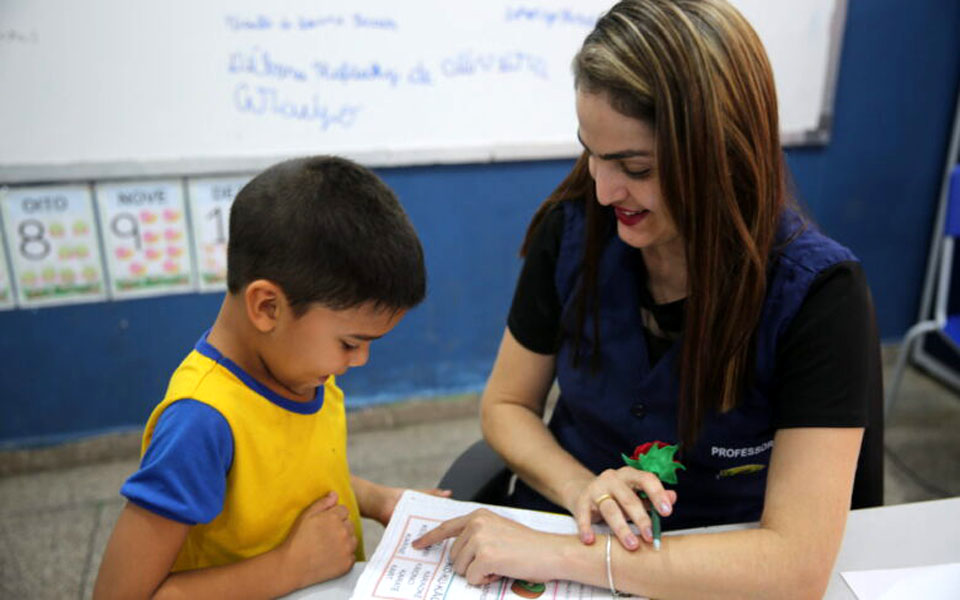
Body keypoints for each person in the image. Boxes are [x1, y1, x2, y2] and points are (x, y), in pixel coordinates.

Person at [414, 1, 883, 597]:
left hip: (710, 570)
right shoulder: (573, 232)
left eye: (635, 166)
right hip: (554, 539)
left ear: (721, 154)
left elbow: (794, 566)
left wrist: (570, 555)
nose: (606, 191)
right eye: (591, 151)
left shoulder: (816, 295)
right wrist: (579, 488)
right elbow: (505, 405)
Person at [94, 156, 446, 598]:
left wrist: (377, 499)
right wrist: (289, 568)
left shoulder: (302, 369)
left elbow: (288, 481)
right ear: (267, 307)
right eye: (350, 343)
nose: (360, 361)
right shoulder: (201, 422)